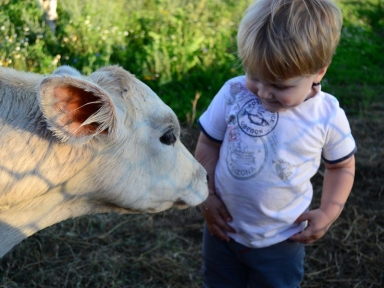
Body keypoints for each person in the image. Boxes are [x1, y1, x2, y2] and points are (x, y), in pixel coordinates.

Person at [194, 0, 356, 287]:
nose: (264, 93)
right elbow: (208, 144)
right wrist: (206, 194)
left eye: (280, 86)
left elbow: (342, 167)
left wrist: (330, 212)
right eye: (254, 76)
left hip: (281, 242)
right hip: (222, 232)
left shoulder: (327, 117)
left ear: (319, 71)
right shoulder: (233, 92)